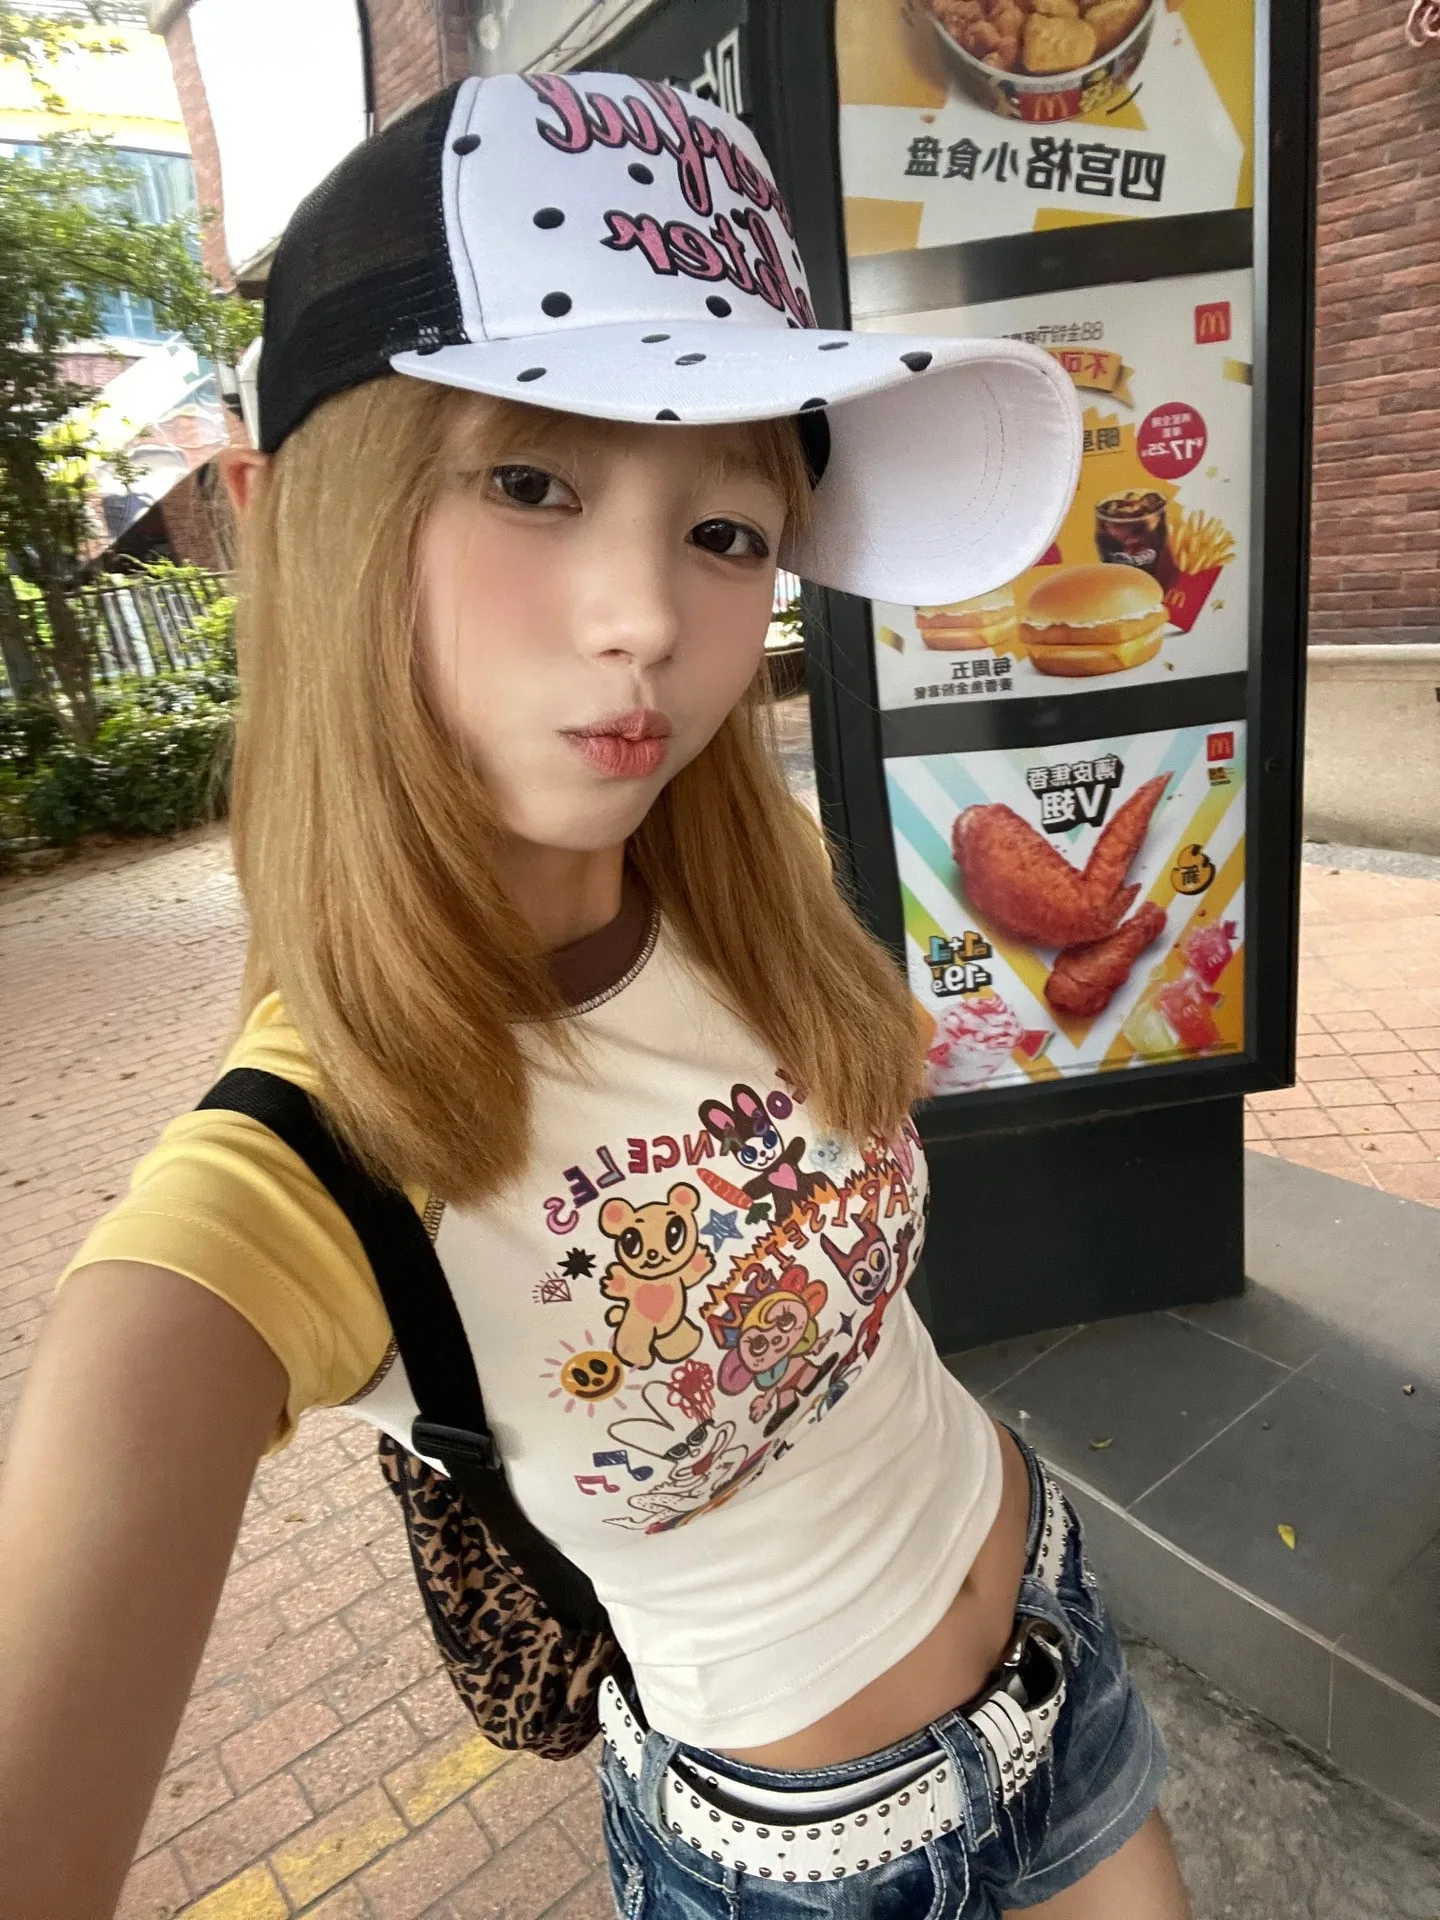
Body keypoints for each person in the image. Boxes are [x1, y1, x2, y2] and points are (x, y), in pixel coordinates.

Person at [0, 70, 1191, 1920]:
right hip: (815, 1857)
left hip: (1057, 1627)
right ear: (285, 518)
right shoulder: (299, 1170)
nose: (645, 616)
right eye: (530, 482)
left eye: (726, 529)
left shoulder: (748, 903)